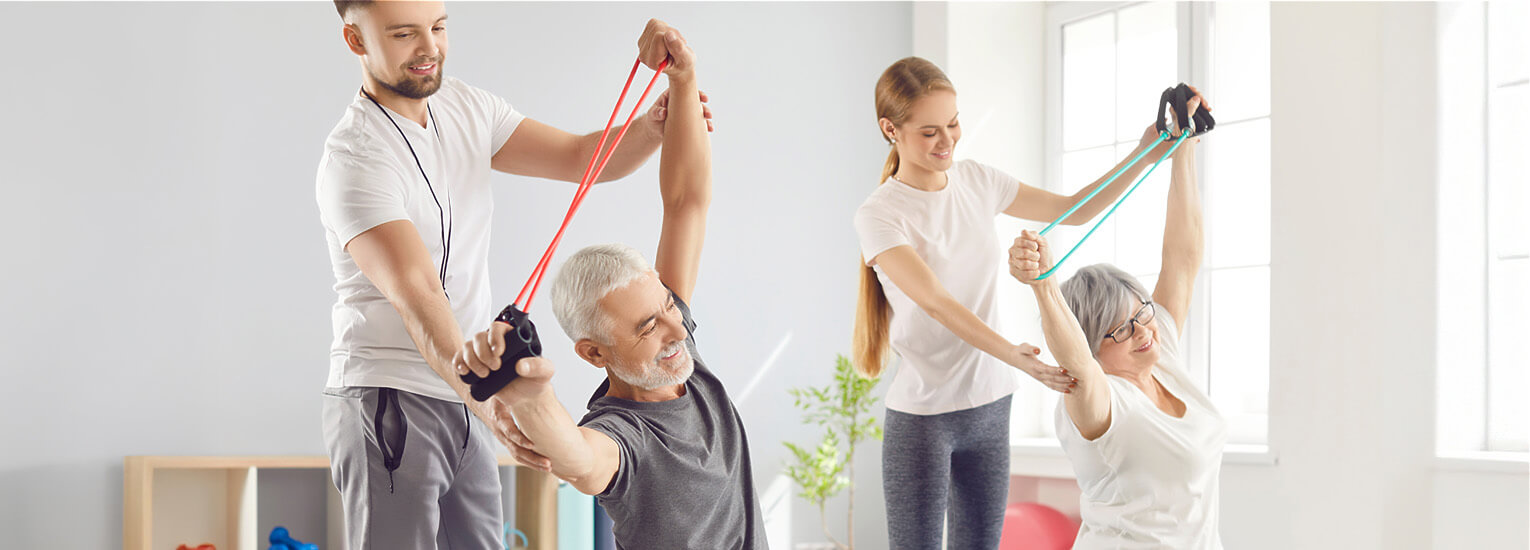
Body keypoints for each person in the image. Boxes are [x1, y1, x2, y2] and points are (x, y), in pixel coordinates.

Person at [314, 1, 707, 545]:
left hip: (469, 391)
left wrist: (652, 126)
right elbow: (420, 294)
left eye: (438, 27)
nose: (430, 49)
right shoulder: (355, 159)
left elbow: (578, 157)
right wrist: (490, 402)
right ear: (355, 40)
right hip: (393, 395)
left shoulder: (467, 108)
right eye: (404, 34)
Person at [852, 56, 1205, 548]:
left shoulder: (977, 180)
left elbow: (1074, 210)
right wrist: (1014, 355)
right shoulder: (880, 214)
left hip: (991, 405)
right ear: (891, 130)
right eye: (929, 131)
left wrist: (1149, 151)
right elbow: (934, 300)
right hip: (922, 419)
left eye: (953, 124)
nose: (947, 141)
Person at [454, 36, 764, 549]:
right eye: (647, 326)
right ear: (594, 353)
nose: (675, 329)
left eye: (667, 306)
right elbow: (580, 458)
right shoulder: (624, 433)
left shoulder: (680, 353)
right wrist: (530, 397)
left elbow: (686, 202)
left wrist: (683, 77)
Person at [1008, 93, 1225, 548]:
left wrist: (1182, 148)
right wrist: (1043, 283)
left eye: (1141, 313)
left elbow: (1182, 260)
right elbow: (1076, 362)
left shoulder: (1157, 351)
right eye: (1121, 329)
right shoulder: (1099, 402)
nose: (1143, 330)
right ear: (1091, 346)